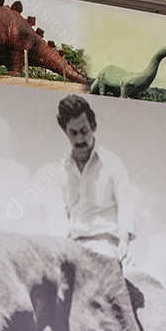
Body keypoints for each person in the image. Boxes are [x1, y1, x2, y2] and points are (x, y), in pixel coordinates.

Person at [57, 94, 135, 276]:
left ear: (93, 127)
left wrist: (124, 244)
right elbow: (59, 215)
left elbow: (126, 206)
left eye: (84, 131)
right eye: (73, 133)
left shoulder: (112, 164)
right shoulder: (61, 170)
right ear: (65, 132)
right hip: (72, 247)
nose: (79, 139)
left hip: (105, 246)